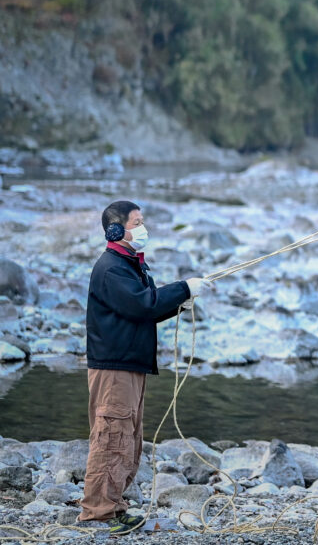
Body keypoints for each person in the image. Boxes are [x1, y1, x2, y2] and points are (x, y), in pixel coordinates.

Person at [80, 199, 204, 535]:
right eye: (137, 223)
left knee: (128, 437)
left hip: (129, 365)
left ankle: (112, 506)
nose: (143, 228)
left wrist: (179, 303)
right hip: (114, 368)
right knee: (112, 436)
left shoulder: (131, 264)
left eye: (142, 221)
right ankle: (98, 513)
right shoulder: (111, 268)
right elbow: (142, 305)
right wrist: (183, 287)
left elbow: (144, 310)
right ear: (115, 230)